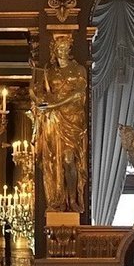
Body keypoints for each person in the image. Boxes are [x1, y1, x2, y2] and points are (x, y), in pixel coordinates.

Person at [32, 34, 89, 214]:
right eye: (60, 49)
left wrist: (54, 104)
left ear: (70, 50)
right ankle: (57, 200)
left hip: (73, 119)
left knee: (69, 160)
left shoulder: (79, 70)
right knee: (53, 160)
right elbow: (37, 93)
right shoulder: (49, 72)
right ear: (55, 51)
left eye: (66, 48)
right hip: (54, 120)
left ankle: (72, 199)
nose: (63, 52)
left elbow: (79, 94)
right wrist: (40, 100)